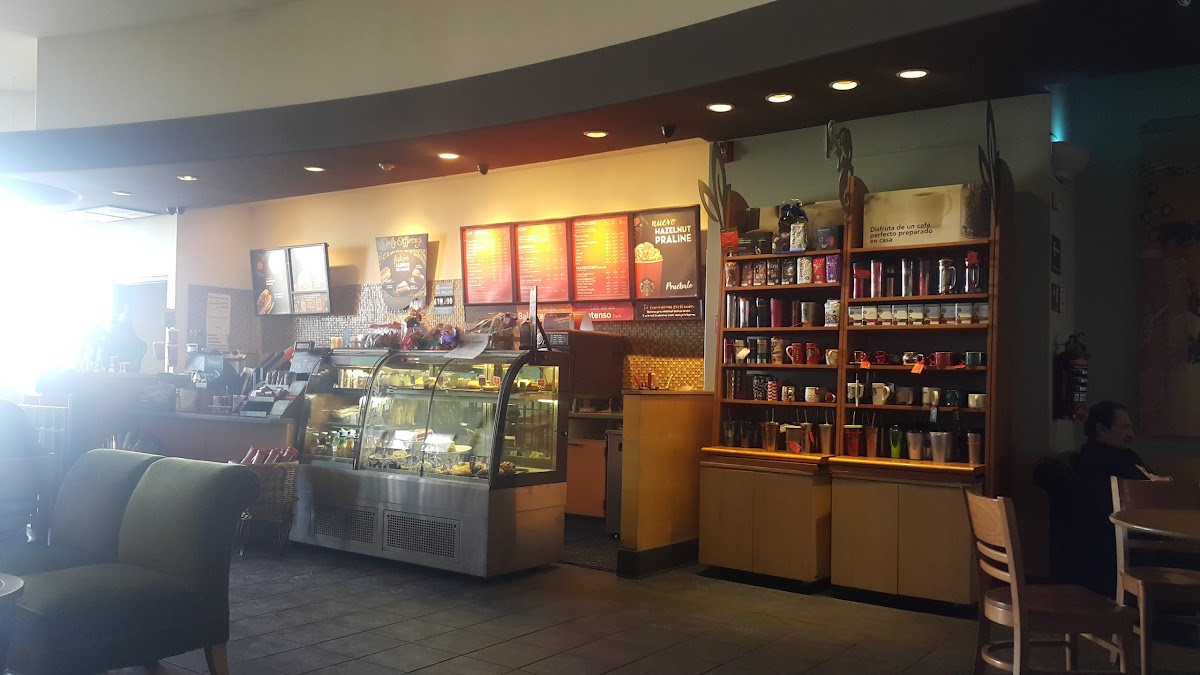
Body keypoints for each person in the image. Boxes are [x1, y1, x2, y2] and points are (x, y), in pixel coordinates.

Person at [1071, 401, 1171, 596]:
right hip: (1130, 538)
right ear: (1101, 429)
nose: (1131, 435)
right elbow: (1136, 495)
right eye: (1124, 428)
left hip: (1146, 529)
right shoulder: (1098, 461)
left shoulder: (1124, 455)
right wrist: (1157, 484)